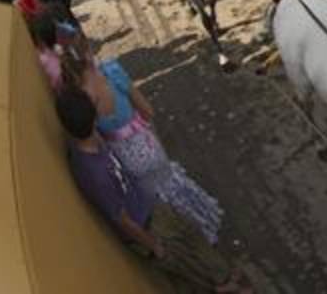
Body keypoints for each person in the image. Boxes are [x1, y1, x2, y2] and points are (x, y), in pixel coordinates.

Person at [55, 88, 250, 293]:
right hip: (146, 225)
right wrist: (152, 245)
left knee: (192, 235)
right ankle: (225, 286)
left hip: (150, 205)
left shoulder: (89, 139)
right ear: (93, 118)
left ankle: (223, 274)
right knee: (186, 263)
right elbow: (120, 218)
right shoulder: (94, 173)